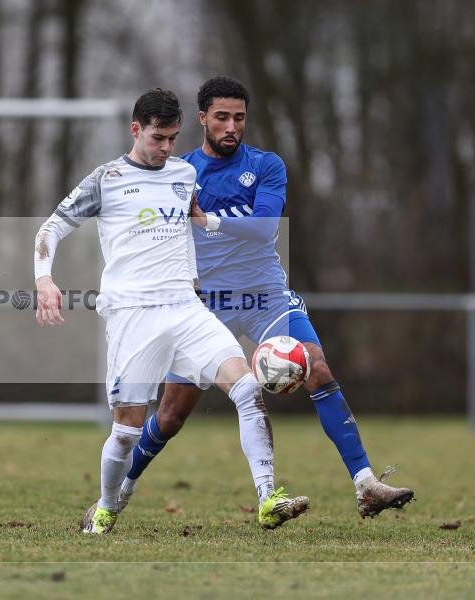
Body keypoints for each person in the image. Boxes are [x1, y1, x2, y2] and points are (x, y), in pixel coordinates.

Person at [118, 76, 414, 519]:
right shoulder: (179, 173)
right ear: (202, 119)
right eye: (222, 117)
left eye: (239, 117)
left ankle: (366, 483)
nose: (231, 126)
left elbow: (263, 228)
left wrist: (207, 220)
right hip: (206, 308)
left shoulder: (267, 166)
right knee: (170, 416)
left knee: (317, 367)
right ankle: (117, 493)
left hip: (265, 298)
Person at [34, 88, 309, 534]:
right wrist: (44, 279)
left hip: (186, 308)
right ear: (136, 129)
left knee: (246, 388)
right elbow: (50, 228)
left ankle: (267, 498)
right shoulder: (106, 179)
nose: (166, 148)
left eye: (173, 139)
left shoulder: (184, 174)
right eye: (158, 138)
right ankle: (106, 507)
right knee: (126, 431)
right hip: (133, 315)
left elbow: (201, 226)